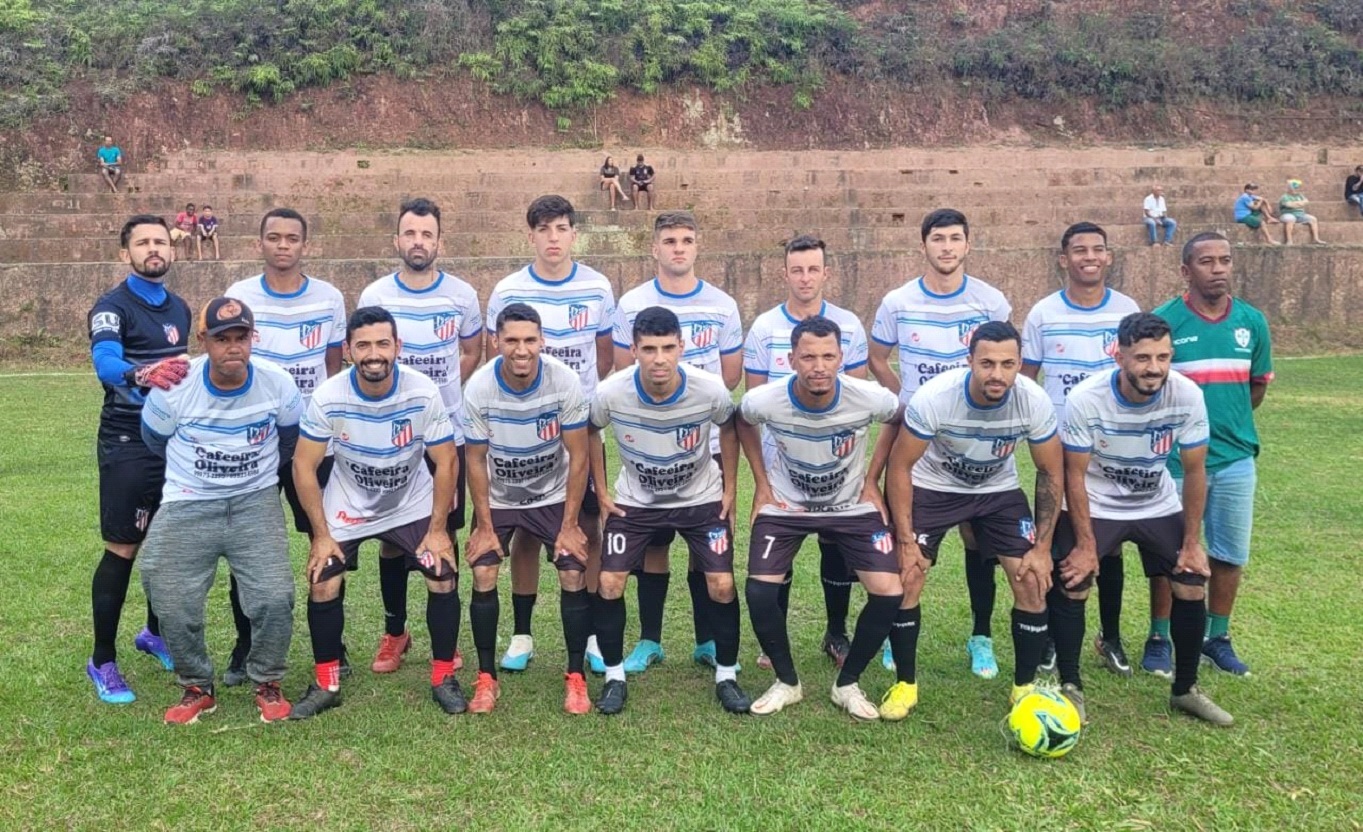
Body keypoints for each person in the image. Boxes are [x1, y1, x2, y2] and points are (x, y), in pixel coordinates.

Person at [1052, 311, 1231, 726]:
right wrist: (1086, 545)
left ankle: (1185, 690)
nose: (1155, 368)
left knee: (1190, 580)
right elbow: (1073, 475)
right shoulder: (1086, 398)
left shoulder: (1186, 395)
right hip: (1098, 501)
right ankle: (1071, 687)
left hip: (1155, 502)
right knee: (1074, 580)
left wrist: (1192, 544)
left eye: (1163, 357)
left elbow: (1195, 471)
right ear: (1120, 357)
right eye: (1144, 358)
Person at [289, 307, 465, 720]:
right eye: (363, 345)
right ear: (349, 350)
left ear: (397, 347)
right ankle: (327, 683)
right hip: (349, 501)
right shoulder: (329, 395)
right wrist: (321, 536)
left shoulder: (422, 391)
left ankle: (443, 677)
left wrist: (438, 530)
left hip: (410, 500)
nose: (374, 354)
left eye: (383, 344)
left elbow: (446, 461)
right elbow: (303, 465)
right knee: (322, 579)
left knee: (441, 573)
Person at [883, 322, 1065, 719]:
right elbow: (899, 467)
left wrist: (1042, 548)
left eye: (1007, 364)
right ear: (969, 361)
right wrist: (906, 541)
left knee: (1032, 581)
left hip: (997, 490)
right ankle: (905, 684)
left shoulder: (1034, 401)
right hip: (934, 487)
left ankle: (1024, 689)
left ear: (1020, 364)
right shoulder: (936, 398)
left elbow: (1051, 472)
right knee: (909, 575)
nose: (997, 374)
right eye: (986, 363)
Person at [139, 297, 303, 724]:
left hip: (254, 502)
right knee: (170, 597)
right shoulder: (174, 386)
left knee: (274, 597)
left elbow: (289, 442)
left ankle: (267, 680)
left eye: (241, 337)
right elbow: (154, 441)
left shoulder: (278, 384)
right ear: (203, 340)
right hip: (188, 501)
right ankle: (197, 685)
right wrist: (200, 478)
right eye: (222, 338)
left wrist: (250, 480)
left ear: (253, 338)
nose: (233, 347)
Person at [867, 208, 1012, 680]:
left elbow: (1003, 358)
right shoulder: (898, 301)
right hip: (919, 441)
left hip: (975, 439)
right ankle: (895, 633)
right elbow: (877, 356)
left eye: (954, 238)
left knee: (979, 541)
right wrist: (906, 396)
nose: (946, 247)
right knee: (907, 543)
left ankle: (981, 636)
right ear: (923, 245)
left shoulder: (991, 302)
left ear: (968, 244)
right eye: (937, 239)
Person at [737, 316, 905, 719]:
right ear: (791, 360)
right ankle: (787, 682)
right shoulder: (765, 399)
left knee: (889, 592)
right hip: (786, 505)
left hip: (850, 505)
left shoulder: (868, 396)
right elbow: (742, 421)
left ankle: (847, 684)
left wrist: (872, 478)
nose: (819, 366)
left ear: (841, 358)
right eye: (809, 357)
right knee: (759, 592)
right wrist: (761, 483)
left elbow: (898, 418)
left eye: (828, 356)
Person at [588, 306, 750, 715]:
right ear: (634, 350)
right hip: (636, 501)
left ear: (681, 346)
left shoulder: (709, 388)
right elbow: (590, 431)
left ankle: (726, 676)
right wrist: (602, 491)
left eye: (666, 348)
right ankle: (614, 677)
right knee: (609, 582)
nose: (658, 359)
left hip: (700, 497)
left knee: (722, 584)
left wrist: (730, 489)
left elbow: (729, 428)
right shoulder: (611, 392)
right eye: (648, 349)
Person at [485, 195, 614, 673]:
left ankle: (594, 634)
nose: (553, 238)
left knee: (588, 526)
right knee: (524, 527)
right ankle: (522, 635)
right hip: (522, 428)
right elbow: (495, 359)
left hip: (579, 427)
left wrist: (574, 402)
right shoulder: (508, 289)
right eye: (544, 229)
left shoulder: (597, 286)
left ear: (573, 234)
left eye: (561, 228)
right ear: (531, 236)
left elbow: (603, 356)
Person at [611, 210, 743, 674]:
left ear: (697, 246)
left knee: (704, 547)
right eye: (669, 241)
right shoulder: (631, 303)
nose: (678, 248)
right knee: (654, 545)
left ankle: (707, 641)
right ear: (655, 248)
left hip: (706, 446)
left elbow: (730, 377)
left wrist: (690, 400)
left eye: (687, 240)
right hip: (650, 446)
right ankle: (650, 640)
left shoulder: (722, 305)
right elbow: (622, 371)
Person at [222, 207, 347, 687]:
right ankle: (246, 644)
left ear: (304, 245)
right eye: (273, 237)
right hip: (253, 438)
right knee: (246, 545)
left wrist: (327, 426)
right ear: (260, 243)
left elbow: (332, 368)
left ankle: (332, 645)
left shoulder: (329, 298)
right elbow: (231, 359)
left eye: (291, 238)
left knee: (326, 538)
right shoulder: (240, 295)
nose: (282, 245)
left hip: (311, 439)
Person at [359, 198, 482, 677]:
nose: (418, 242)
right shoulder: (376, 294)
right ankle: (396, 631)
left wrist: (432, 396)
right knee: (392, 538)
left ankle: (444, 641)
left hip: (446, 435)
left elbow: (471, 350)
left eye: (426, 234)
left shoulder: (462, 295)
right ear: (397, 240)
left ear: (439, 242)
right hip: (390, 438)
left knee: (442, 531)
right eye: (410, 233)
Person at [1146, 232, 1273, 679]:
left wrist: (1225, 424)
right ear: (1186, 270)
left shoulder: (1252, 322)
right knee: (1171, 552)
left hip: (1235, 457)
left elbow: (1255, 388)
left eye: (1225, 260)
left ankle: (1216, 638)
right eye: (1206, 261)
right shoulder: (1165, 321)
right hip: (1175, 461)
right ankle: (1159, 637)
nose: (1218, 269)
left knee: (1229, 553)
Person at [1020, 222, 1141, 677]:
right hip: (1058, 446)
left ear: (1108, 257)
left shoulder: (1127, 310)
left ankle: (1111, 637)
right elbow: (1027, 379)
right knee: (1057, 540)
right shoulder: (1044, 313)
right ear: (1063, 258)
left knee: (1109, 546)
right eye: (1079, 250)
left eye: (1097, 249)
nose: (1089, 257)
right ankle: (1054, 637)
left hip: (1114, 444)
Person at [744, 235, 869, 671]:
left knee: (836, 545)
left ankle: (836, 632)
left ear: (826, 273)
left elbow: (858, 397)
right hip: (783, 462)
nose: (805, 278)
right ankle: (773, 640)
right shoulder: (764, 328)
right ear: (784, 274)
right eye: (797, 270)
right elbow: (753, 404)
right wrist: (762, 479)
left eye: (813, 269)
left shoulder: (849, 325)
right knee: (782, 547)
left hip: (837, 461)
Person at [462, 304, 593, 715]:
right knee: (483, 570)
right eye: (512, 340)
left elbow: (579, 455)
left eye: (530, 340)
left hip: (551, 493)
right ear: (496, 341)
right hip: (500, 496)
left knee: (572, 570)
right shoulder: (479, 387)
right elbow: (475, 460)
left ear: (542, 341)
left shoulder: (564, 380)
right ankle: (486, 678)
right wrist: (484, 526)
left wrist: (569, 524)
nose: (522, 350)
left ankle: (575, 676)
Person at [85, 214, 192, 705]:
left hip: (174, 440)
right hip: (128, 440)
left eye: (161, 241)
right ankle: (102, 660)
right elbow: (105, 364)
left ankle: (153, 633)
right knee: (123, 547)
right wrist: (142, 373)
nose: (154, 249)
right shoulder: (112, 307)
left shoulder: (181, 308)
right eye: (143, 242)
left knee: (168, 543)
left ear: (172, 249)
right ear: (124, 252)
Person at [1277, 179, 1325, 245]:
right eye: (1294, 188)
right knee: (1290, 219)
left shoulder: (1300, 196)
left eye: (1297, 188)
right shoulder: (1284, 197)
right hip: (1287, 214)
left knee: (1313, 219)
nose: (1296, 190)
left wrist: (1296, 204)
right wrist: (1300, 203)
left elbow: (1306, 202)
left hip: (1300, 215)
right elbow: (1289, 205)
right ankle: (1289, 241)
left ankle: (1315, 239)